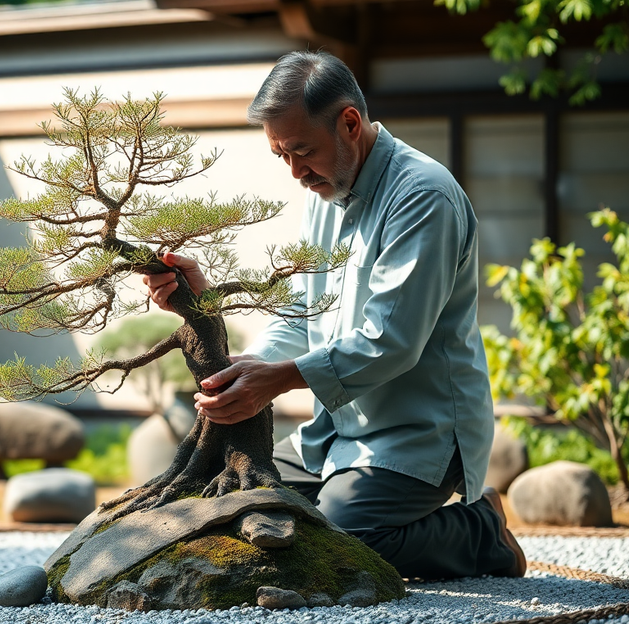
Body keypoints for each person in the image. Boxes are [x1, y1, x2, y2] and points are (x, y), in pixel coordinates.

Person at [142, 50, 527, 579]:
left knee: (343, 538)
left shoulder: (422, 196)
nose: (296, 172)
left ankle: (480, 532)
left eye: (303, 151)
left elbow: (390, 340)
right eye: (282, 156)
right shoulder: (327, 190)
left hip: (416, 434)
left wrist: (273, 382)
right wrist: (237, 365)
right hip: (335, 431)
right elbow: (302, 312)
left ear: (350, 123)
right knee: (241, 498)